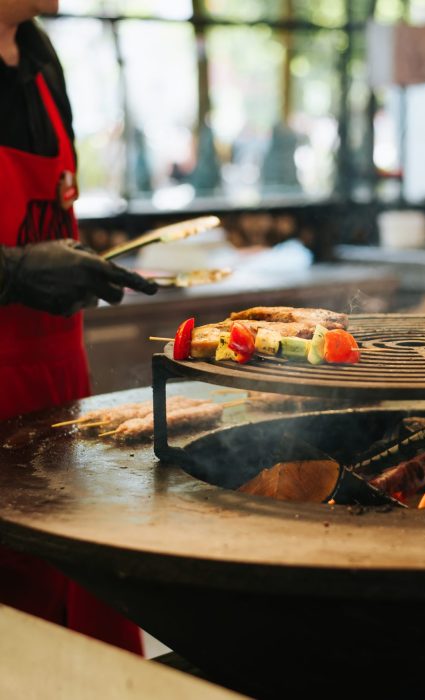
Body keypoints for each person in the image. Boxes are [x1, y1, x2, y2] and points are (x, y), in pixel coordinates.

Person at [0, 1, 157, 653]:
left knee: (81, 593)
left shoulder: (41, 61)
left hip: (61, 380)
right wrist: (13, 274)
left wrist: (70, 267)